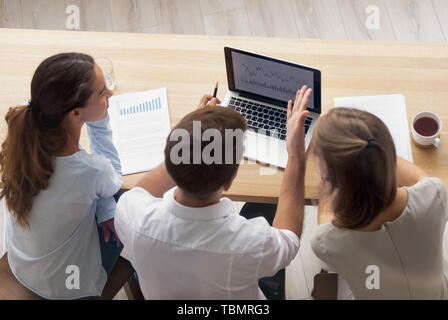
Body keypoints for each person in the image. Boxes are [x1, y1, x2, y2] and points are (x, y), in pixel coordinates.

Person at [114, 87, 312, 299]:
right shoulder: (249, 243)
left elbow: (145, 188)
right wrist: (296, 153)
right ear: (228, 182)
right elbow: (289, 239)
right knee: (264, 208)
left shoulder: (131, 214)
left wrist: (192, 135)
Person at [0, 53, 123, 299]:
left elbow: (88, 187)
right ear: (75, 114)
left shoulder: (23, 145)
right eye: (101, 92)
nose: (110, 93)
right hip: (68, 285)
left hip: (24, 265)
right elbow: (112, 178)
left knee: (108, 203)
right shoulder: (91, 170)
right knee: (134, 207)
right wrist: (100, 123)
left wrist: (104, 205)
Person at [309, 107, 448, 299]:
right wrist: (371, 153)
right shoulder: (435, 194)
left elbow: (326, 215)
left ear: (333, 180)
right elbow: (415, 176)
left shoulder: (327, 241)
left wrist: (328, 175)